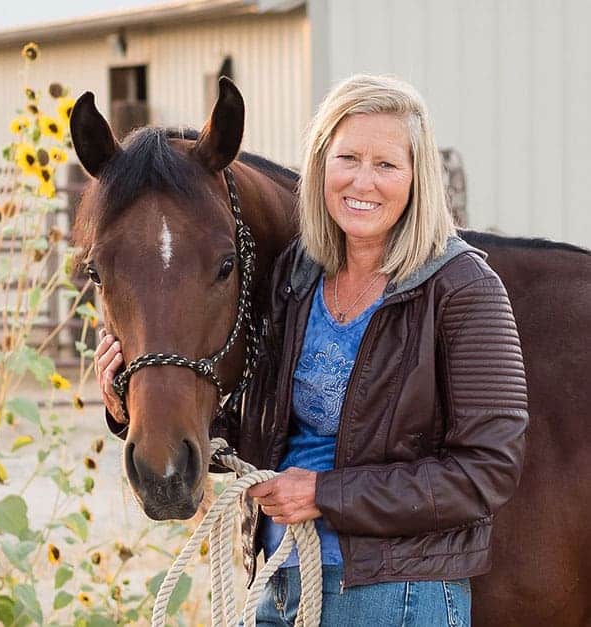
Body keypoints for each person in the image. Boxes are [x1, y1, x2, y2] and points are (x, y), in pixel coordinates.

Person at [94, 74, 528, 626]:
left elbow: (484, 473)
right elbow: (261, 431)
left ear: (419, 178)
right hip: (280, 580)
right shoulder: (297, 279)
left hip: (396, 595)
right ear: (321, 165)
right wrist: (130, 407)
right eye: (347, 158)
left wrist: (327, 494)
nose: (363, 182)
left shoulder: (462, 288)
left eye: (386, 164)